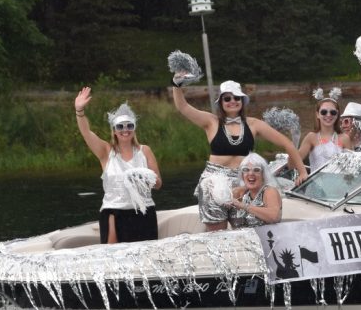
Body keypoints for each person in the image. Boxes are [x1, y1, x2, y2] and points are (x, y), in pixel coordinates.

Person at [172, 78, 307, 231]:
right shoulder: (211, 121)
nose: (232, 101)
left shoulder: (254, 124)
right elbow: (183, 107)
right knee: (218, 232)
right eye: (227, 98)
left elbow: (287, 144)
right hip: (214, 183)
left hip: (244, 181)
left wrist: (302, 171)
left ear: (242, 101)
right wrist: (176, 84)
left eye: (237, 98)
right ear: (221, 102)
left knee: (245, 228)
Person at [73, 87, 162, 244]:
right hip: (114, 212)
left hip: (144, 212)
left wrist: (145, 179)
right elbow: (86, 133)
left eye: (129, 126)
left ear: (134, 129)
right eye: (120, 126)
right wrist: (79, 111)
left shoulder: (145, 151)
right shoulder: (106, 151)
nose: (125, 130)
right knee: (114, 254)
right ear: (114, 130)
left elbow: (159, 184)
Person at [298, 90, 354, 171]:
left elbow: (351, 168)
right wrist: (302, 173)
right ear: (317, 114)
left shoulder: (345, 138)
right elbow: (296, 161)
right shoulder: (311, 137)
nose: (328, 115)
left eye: (333, 112)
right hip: (316, 179)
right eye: (324, 112)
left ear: (337, 114)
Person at [226, 153, 283, 228]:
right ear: (242, 175)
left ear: (263, 175)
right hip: (240, 235)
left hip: (265, 235)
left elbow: (274, 217)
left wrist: (243, 206)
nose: (251, 173)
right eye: (246, 170)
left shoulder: (269, 191)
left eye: (256, 170)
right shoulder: (241, 193)